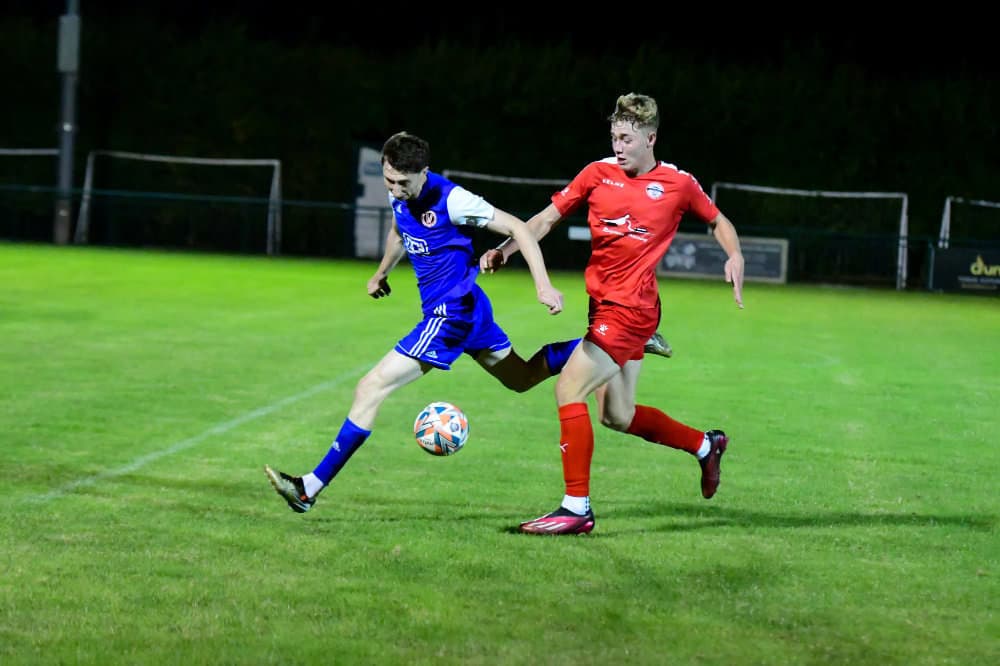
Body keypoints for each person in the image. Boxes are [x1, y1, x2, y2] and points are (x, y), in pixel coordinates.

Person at [264, 131, 583, 513]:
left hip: (450, 315)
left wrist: (543, 285)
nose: (396, 190)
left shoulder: (453, 200)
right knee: (523, 378)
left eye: (403, 183)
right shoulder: (398, 193)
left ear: (424, 172)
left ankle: (308, 489)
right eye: (389, 181)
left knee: (370, 387)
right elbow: (399, 232)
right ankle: (602, 345)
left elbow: (518, 227)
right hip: (470, 309)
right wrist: (381, 272)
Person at [480, 93, 745, 535]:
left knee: (569, 389)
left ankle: (576, 509)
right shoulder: (597, 174)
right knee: (617, 415)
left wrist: (734, 255)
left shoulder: (678, 183)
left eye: (626, 139)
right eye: (614, 137)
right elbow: (545, 219)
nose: (618, 147)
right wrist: (505, 251)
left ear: (650, 139)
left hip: (631, 310)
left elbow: (718, 221)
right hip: (603, 306)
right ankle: (706, 445)